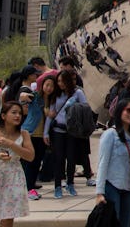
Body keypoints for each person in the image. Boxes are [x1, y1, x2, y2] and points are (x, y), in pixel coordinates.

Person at [0, 101, 35, 225]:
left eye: (20, 113)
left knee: (8, 219)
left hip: (14, 178)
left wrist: (11, 144)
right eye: (14, 112)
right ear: (3, 116)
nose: (18, 116)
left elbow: (30, 156)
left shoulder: (24, 134)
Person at [96, 99, 130, 227]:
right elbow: (102, 163)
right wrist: (99, 192)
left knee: (126, 223)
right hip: (112, 187)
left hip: (129, 189)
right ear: (120, 111)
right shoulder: (110, 134)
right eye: (128, 110)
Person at [44, 70, 87, 198]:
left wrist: (75, 105)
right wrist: (46, 133)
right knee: (58, 159)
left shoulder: (77, 93)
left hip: (72, 131)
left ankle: (70, 184)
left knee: (71, 158)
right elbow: (51, 115)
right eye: (58, 81)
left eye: (62, 81)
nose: (60, 84)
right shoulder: (56, 95)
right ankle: (58, 186)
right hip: (58, 130)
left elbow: (86, 108)